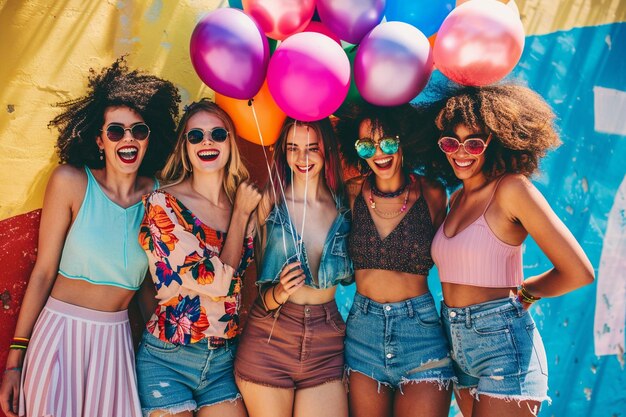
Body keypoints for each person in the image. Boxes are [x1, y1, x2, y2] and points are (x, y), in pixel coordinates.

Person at [0, 58, 180, 417]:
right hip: (58, 335)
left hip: (116, 345)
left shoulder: (160, 197)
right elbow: (43, 273)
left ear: (148, 138)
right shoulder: (71, 182)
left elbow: (149, 289)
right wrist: (14, 363)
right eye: (116, 131)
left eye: (138, 130)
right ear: (100, 140)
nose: (127, 139)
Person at [427, 84, 595, 417]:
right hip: (457, 343)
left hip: (504, 346)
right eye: (451, 142)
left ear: (495, 142)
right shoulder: (457, 198)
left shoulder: (511, 189)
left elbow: (578, 271)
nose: (461, 152)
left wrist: (527, 293)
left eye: (473, 143)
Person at [135, 99, 260, 417]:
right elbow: (216, 282)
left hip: (222, 360)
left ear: (231, 143)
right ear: (185, 147)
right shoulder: (164, 204)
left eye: (218, 134)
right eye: (196, 136)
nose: (207, 142)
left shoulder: (239, 202)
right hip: (168, 359)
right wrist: (243, 215)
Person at [336, 104, 455, 417]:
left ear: (404, 140)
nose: (379, 153)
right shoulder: (351, 192)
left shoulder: (433, 193)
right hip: (363, 333)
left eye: (387, 141)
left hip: (422, 335)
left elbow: (452, 259)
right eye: (366, 145)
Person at [234, 117, 352, 417]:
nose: (302, 158)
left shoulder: (345, 207)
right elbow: (234, 269)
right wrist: (280, 291)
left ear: (326, 150)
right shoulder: (268, 204)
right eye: (293, 148)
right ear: (283, 152)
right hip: (271, 337)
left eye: (312, 148)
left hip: (326, 345)